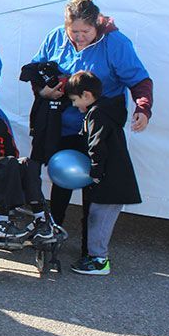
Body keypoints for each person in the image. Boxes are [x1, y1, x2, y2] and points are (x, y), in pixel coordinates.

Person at [25, 0, 152, 256]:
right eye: (75, 33)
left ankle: (89, 247)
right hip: (64, 123)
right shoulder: (56, 37)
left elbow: (139, 80)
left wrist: (143, 108)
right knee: (60, 181)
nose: (80, 38)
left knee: (94, 185)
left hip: (98, 127)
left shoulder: (116, 43)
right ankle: (52, 235)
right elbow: (36, 70)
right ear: (66, 27)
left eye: (86, 33)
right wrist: (43, 91)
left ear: (97, 26)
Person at [64, 71, 141, 275]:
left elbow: (96, 145)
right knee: (97, 216)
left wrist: (96, 171)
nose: (74, 105)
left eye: (74, 100)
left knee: (100, 219)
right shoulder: (104, 111)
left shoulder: (97, 114)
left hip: (111, 179)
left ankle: (99, 261)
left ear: (87, 95)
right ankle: (95, 256)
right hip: (113, 177)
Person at [0, 94, 50, 243]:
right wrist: (1, 160)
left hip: (6, 171)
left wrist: (9, 161)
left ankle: (40, 217)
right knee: (9, 164)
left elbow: (12, 152)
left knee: (27, 163)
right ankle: (1, 220)